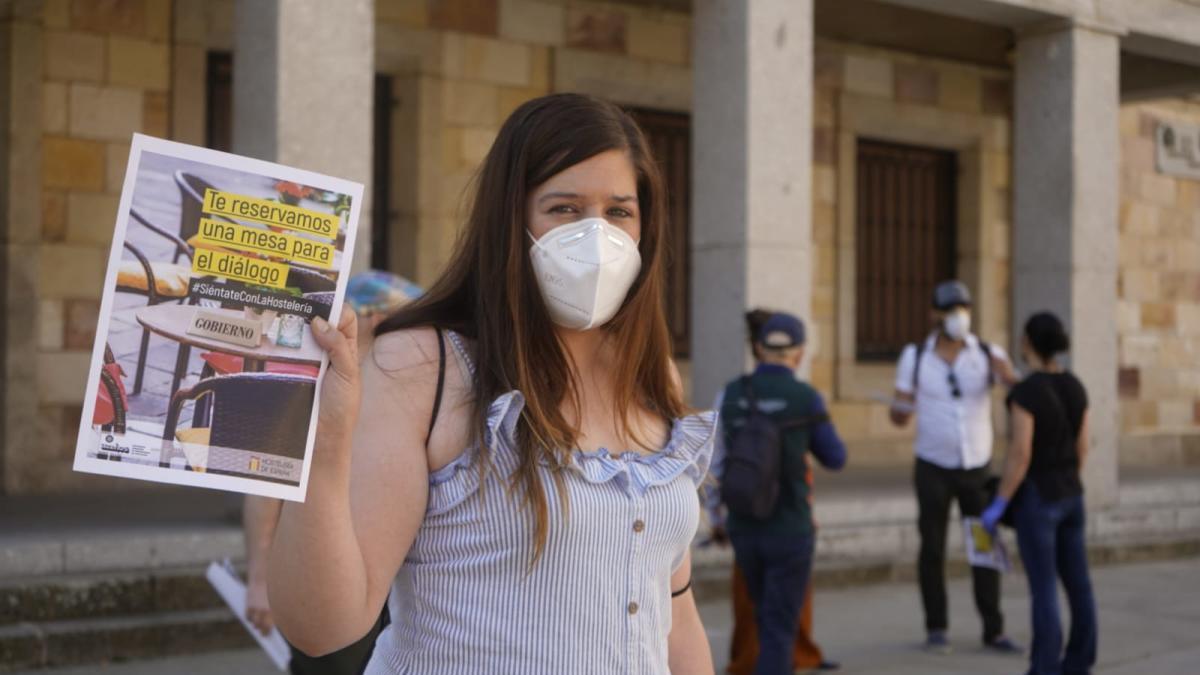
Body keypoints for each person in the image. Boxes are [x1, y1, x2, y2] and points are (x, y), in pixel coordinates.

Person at [265, 93, 716, 674]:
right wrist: (323, 446)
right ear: (512, 218)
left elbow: (673, 612)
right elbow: (324, 627)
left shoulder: (652, 376)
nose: (597, 236)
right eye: (565, 208)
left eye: (619, 212)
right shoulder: (424, 366)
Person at [243, 270, 421, 675]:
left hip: (384, 582)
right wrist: (259, 580)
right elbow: (266, 486)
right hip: (323, 572)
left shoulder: (402, 385)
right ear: (379, 321)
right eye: (412, 324)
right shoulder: (316, 383)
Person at [888, 280, 1021, 654]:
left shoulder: (986, 353)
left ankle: (993, 629)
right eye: (950, 310)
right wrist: (899, 410)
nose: (958, 317)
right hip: (932, 465)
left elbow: (1020, 396)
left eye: (963, 309)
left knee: (984, 544)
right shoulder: (915, 357)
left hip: (976, 467)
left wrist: (1007, 376)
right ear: (934, 314)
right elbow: (899, 413)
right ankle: (936, 626)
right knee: (931, 547)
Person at [714, 311, 847, 675]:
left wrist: (716, 517)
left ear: (759, 348)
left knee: (758, 613)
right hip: (790, 528)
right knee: (779, 628)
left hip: (744, 527)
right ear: (799, 353)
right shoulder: (806, 398)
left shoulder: (731, 393)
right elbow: (836, 458)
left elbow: (714, 463)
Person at [982, 312, 1097, 675]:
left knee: (1044, 587)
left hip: (1039, 497)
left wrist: (1000, 500)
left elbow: (1021, 453)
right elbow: (1083, 447)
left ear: (1028, 342)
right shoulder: (1076, 386)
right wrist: (1069, 481)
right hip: (1071, 494)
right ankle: (1079, 661)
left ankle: (1045, 666)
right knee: (1079, 584)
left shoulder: (1027, 393)